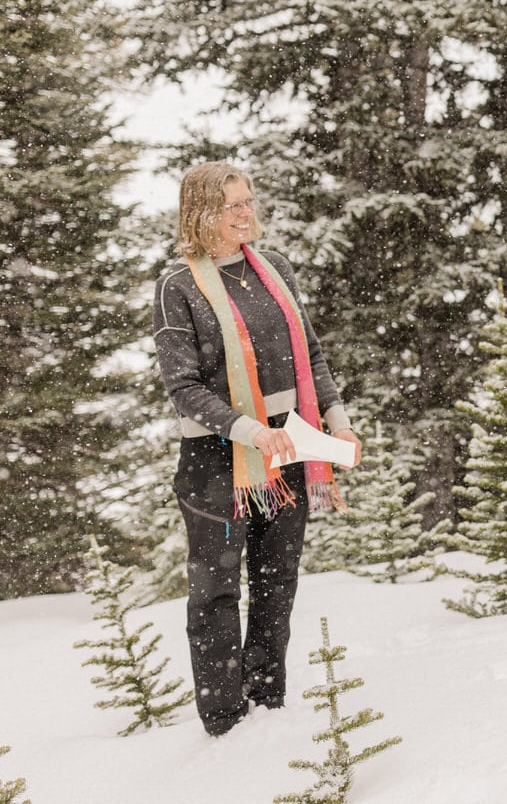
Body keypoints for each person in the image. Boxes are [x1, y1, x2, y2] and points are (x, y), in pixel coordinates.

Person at [152, 161, 360, 736]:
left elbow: (311, 358)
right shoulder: (179, 286)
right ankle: (224, 723)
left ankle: (268, 709)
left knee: (277, 578)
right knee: (216, 588)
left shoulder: (275, 270)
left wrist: (337, 424)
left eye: (249, 201)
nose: (248, 213)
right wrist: (249, 430)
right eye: (233, 205)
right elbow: (183, 387)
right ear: (202, 214)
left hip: (289, 444)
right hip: (218, 461)